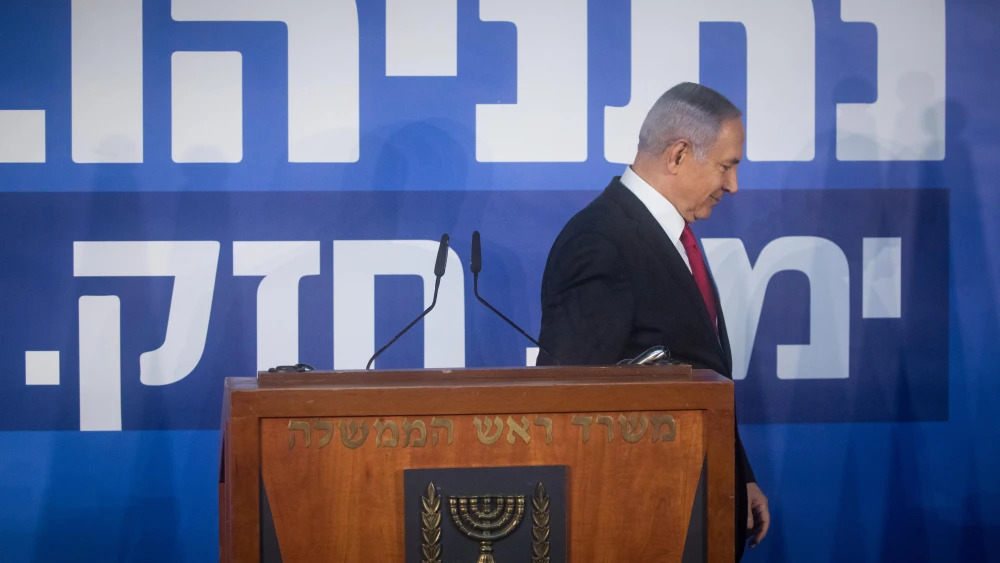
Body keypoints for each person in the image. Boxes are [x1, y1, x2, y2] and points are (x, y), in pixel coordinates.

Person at [536, 82, 769, 560]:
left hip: (697, 506)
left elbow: (699, 374)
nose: (733, 186)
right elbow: (568, 404)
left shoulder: (670, 233)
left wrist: (736, 473)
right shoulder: (600, 242)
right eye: (726, 166)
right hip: (644, 523)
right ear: (679, 154)